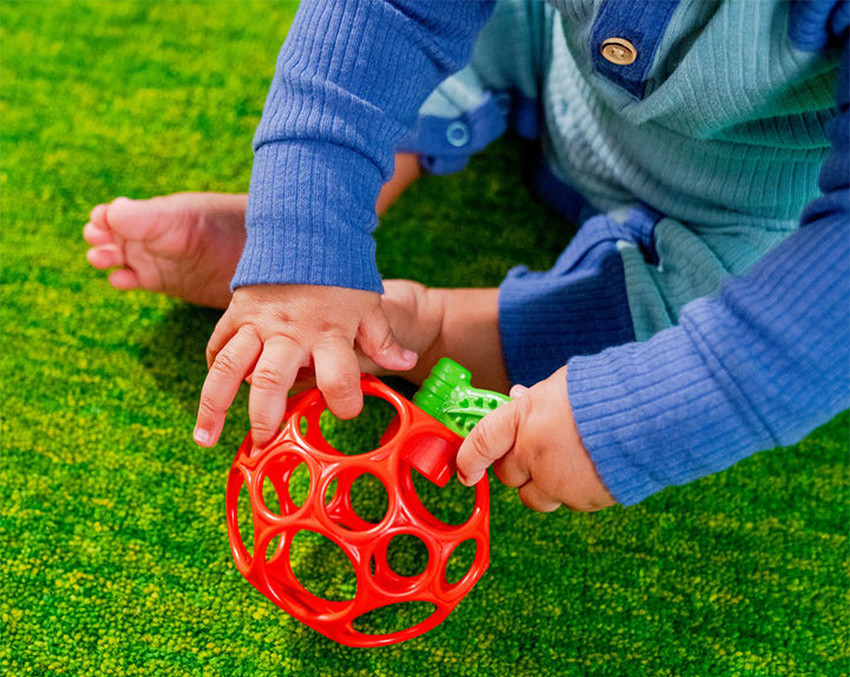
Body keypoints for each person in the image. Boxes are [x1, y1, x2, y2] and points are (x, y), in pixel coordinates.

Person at [85, 0, 849, 513]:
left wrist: (628, 423)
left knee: (686, 328)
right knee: (406, 58)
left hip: (743, 211)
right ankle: (312, 244)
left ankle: (417, 326)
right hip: (548, 52)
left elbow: (823, 307)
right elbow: (387, 14)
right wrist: (304, 231)